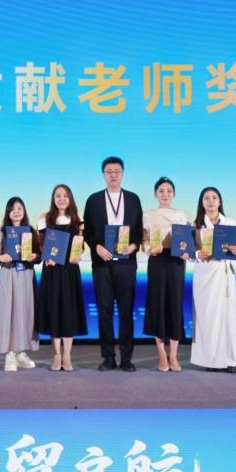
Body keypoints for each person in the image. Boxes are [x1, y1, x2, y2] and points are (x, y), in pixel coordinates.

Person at [82, 156, 144, 372]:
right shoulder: (94, 200)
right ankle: (108, 357)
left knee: (127, 311)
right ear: (103, 175)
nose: (113, 175)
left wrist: (134, 246)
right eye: (109, 171)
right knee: (105, 310)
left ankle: (127, 358)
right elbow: (88, 232)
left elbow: (139, 231)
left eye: (117, 171)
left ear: (122, 174)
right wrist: (96, 247)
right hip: (102, 263)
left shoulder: (133, 199)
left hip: (126, 264)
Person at [190, 186, 236, 373]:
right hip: (204, 274)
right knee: (207, 318)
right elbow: (189, 253)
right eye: (207, 198)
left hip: (224, 273)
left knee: (228, 317)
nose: (211, 201)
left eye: (214, 197)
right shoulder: (195, 225)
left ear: (220, 201)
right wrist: (198, 254)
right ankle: (210, 360)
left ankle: (230, 361)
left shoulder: (230, 222)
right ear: (202, 203)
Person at [36, 184, 87, 371]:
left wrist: (78, 255)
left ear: (70, 198)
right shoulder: (44, 219)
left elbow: (80, 246)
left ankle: (67, 356)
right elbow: (41, 245)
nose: (62, 199)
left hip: (70, 271)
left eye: (65, 195)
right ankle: (57, 355)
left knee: (69, 312)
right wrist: (46, 256)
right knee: (54, 311)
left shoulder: (78, 222)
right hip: (52, 271)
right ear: (53, 199)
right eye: (58, 195)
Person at [143, 177, 190, 372]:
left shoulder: (181, 215)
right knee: (158, 304)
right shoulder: (148, 215)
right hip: (157, 262)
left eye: (169, 191)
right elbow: (145, 241)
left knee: (175, 305)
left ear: (174, 194)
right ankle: (162, 355)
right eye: (161, 191)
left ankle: (174, 355)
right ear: (155, 194)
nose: (165, 194)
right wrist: (149, 249)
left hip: (176, 263)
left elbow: (187, 241)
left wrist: (187, 252)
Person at [0, 196, 41, 371]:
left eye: (19, 208)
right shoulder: (1, 232)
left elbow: (38, 256)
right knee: (9, 312)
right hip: (9, 273)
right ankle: (10, 354)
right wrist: (0, 258)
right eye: (13, 209)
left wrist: (35, 257)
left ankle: (21, 352)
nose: (16, 212)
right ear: (8, 212)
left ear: (24, 211)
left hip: (26, 274)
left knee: (25, 312)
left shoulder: (31, 231)